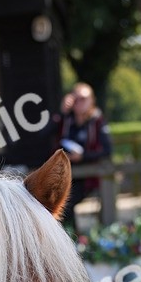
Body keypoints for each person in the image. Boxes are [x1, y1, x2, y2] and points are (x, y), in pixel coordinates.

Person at [54, 82, 112, 234]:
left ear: (92, 100)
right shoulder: (66, 120)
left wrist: (83, 157)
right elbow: (44, 135)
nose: (79, 102)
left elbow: (107, 150)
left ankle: (72, 238)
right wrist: (62, 112)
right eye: (76, 99)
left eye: (83, 98)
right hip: (64, 175)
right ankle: (71, 236)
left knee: (65, 203)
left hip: (88, 177)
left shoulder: (97, 121)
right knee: (54, 201)